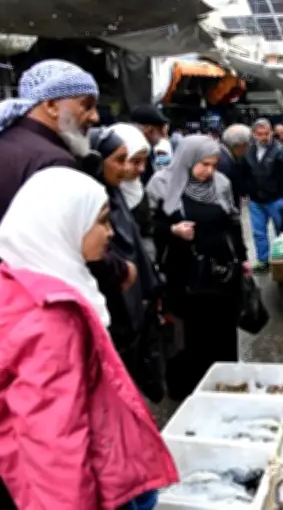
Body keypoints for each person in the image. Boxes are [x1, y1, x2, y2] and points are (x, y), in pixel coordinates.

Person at [0, 167, 177, 509]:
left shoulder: (25, 280)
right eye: (102, 221)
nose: (110, 232)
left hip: (104, 467)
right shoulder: (53, 321)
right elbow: (54, 440)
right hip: (97, 486)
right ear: (64, 224)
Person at [0, 59, 109, 510]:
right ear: (51, 105)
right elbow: (71, 253)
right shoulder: (48, 162)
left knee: (4, 438)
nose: (94, 116)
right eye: (86, 104)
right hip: (37, 327)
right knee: (50, 447)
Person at [147, 135, 250, 400]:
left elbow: (233, 222)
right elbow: (147, 227)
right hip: (183, 274)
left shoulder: (221, 183)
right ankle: (189, 393)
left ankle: (224, 387)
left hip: (220, 274)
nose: (209, 171)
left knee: (222, 331)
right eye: (204, 164)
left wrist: (243, 258)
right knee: (187, 335)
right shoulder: (162, 183)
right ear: (188, 159)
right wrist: (172, 230)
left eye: (214, 165)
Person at [87, 126, 159, 389]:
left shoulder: (120, 191)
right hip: (115, 306)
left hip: (135, 301)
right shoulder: (93, 201)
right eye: (123, 160)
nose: (138, 169)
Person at [242, 118, 283, 271]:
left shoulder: (279, 151)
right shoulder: (248, 152)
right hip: (255, 201)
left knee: (282, 232)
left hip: (276, 200)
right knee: (258, 233)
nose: (264, 137)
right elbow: (244, 174)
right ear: (254, 134)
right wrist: (244, 191)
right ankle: (263, 262)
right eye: (260, 134)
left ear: (271, 133)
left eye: (267, 133)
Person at [131, 104, 169, 184]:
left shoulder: (149, 150)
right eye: (160, 130)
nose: (163, 135)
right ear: (150, 130)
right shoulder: (133, 152)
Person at [219, 123, 252, 210]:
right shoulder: (224, 164)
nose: (249, 148)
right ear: (241, 145)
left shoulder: (222, 154)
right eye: (248, 144)